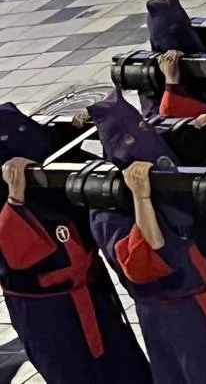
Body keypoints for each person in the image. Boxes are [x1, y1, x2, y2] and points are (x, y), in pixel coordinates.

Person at [86, 96, 206, 384]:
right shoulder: (107, 206)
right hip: (176, 313)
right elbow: (142, 261)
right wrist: (141, 198)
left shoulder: (167, 165)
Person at [0, 110, 152, 384]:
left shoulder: (11, 123)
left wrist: (72, 131)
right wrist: (14, 200)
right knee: (73, 372)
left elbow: (49, 146)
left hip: (92, 292)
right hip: (49, 313)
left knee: (124, 365)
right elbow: (14, 255)